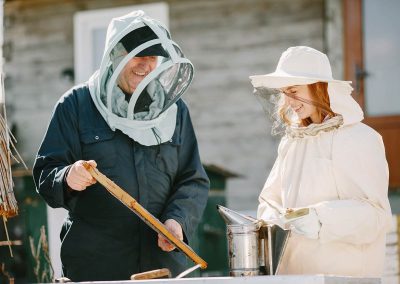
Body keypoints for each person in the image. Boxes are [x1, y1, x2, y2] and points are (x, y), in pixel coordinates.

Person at [33, 10, 209, 282]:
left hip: (163, 267)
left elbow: (192, 179)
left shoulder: (175, 111)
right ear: (115, 55)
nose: (146, 65)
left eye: (152, 57)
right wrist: (69, 177)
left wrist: (177, 221)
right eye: (138, 56)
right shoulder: (75, 106)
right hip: (97, 268)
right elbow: (46, 175)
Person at [250, 46, 392, 277]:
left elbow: (376, 216)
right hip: (294, 277)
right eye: (284, 92)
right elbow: (270, 199)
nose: (288, 101)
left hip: (344, 277)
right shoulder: (292, 142)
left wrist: (320, 218)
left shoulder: (359, 138)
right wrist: (270, 219)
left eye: (294, 90)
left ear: (319, 87)